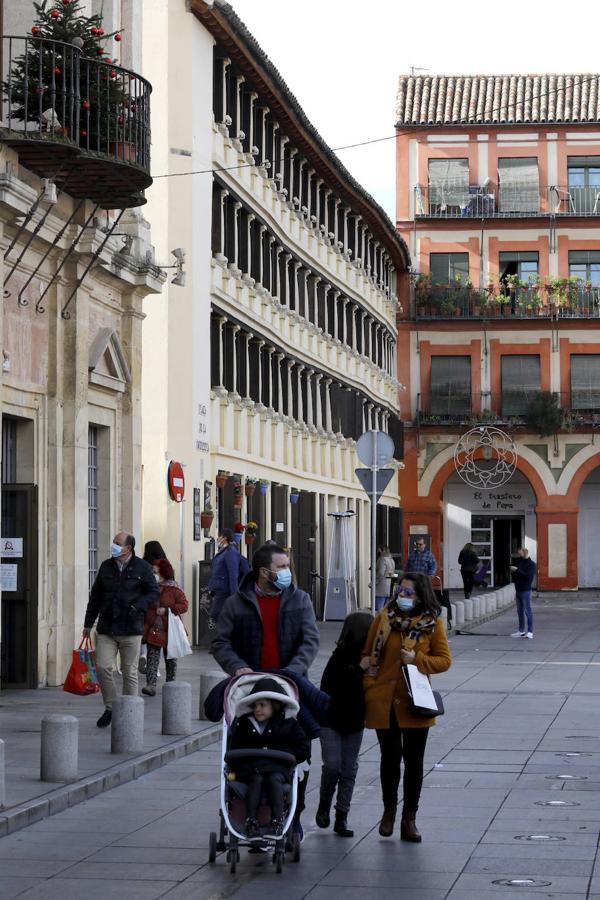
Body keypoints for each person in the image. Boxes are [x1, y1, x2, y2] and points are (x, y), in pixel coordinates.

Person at [212, 542, 320, 841]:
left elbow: (310, 640)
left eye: (288, 566)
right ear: (264, 572)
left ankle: (292, 815)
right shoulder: (237, 603)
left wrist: (293, 670)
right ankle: (250, 813)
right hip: (251, 689)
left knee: (298, 753)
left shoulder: (300, 600)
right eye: (281, 567)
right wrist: (238, 668)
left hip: (290, 688)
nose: (287, 572)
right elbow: (221, 642)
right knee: (247, 753)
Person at [362, 572, 452, 842]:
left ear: (421, 595)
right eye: (401, 591)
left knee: (414, 763)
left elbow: (444, 661)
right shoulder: (382, 619)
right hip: (384, 700)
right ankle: (389, 812)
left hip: (416, 703)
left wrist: (417, 659)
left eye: (409, 593)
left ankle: (409, 818)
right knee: (389, 760)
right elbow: (367, 655)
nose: (403, 596)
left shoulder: (432, 624)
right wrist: (369, 685)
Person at [83, 532, 159, 728]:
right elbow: (95, 597)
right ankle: (110, 708)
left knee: (129, 672)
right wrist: (87, 623)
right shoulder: (106, 566)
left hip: (131, 629)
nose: (114, 546)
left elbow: (153, 592)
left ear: (128, 548)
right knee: (103, 667)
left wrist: (137, 606)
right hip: (107, 628)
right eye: (113, 542)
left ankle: (129, 712)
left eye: (117, 543)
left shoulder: (142, 567)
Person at [229, 677, 310, 838]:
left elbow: (302, 748)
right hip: (251, 769)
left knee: (274, 779)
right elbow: (235, 749)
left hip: (277, 768)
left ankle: (277, 820)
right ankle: (251, 820)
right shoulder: (244, 724)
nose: (257, 709)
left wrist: (288, 756)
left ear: (275, 705)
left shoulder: (288, 725)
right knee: (256, 779)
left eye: (262, 705)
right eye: (255, 705)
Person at [316, 611, 373, 838]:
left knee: (349, 769)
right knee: (332, 766)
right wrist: (359, 668)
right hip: (331, 720)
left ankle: (342, 815)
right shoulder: (339, 657)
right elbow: (332, 687)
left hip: (355, 721)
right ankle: (324, 805)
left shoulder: (370, 658)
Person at [142, 558, 189, 696]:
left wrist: (168, 610)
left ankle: (170, 684)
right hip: (153, 629)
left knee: (171, 659)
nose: (153, 574)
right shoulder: (150, 587)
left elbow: (184, 605)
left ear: (163, 572)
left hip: (169, 630)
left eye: (155, 571)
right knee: (152, 657)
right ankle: (151, 685)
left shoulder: (174, 589)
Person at [208, 528, 250, 622]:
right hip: (220, 591)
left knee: (218, 617)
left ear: (224, 538)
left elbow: (233, 574)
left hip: (225, 592)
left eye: (219, 536)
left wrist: (234, 596)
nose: (217, 539)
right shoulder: (223, 551)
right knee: (216, 617)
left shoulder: (230, 552)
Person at [139, 541, 168, 674]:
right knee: (158, 635)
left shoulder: (143, 564)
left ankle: (143, 655)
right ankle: (154, 669)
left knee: (145, 631)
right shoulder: (164, 564)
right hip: (160, 603)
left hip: (146, 602)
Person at [510, 547, 536, 639]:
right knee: (519, 611)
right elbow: (518, 575)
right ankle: (521, 631)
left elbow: (528, 576)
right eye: (518, 553)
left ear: (525, 553)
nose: (519, 555)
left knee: (527, 611)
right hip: (518, 589)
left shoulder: (531, 564)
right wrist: (513, 572)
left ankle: (530, 631)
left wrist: (517, 570)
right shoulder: (520, 562)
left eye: (520, 554)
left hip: (526, 590)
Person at [375, 546, 396, 611]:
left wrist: (375, 582)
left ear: (383, 551)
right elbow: (392, 572)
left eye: (379, 551)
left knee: (379, 609)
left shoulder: (383, 559)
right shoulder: (391, 560)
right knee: (386, 609)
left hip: (381, 586)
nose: (378, 553)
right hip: (389, 586)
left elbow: (381, 573)